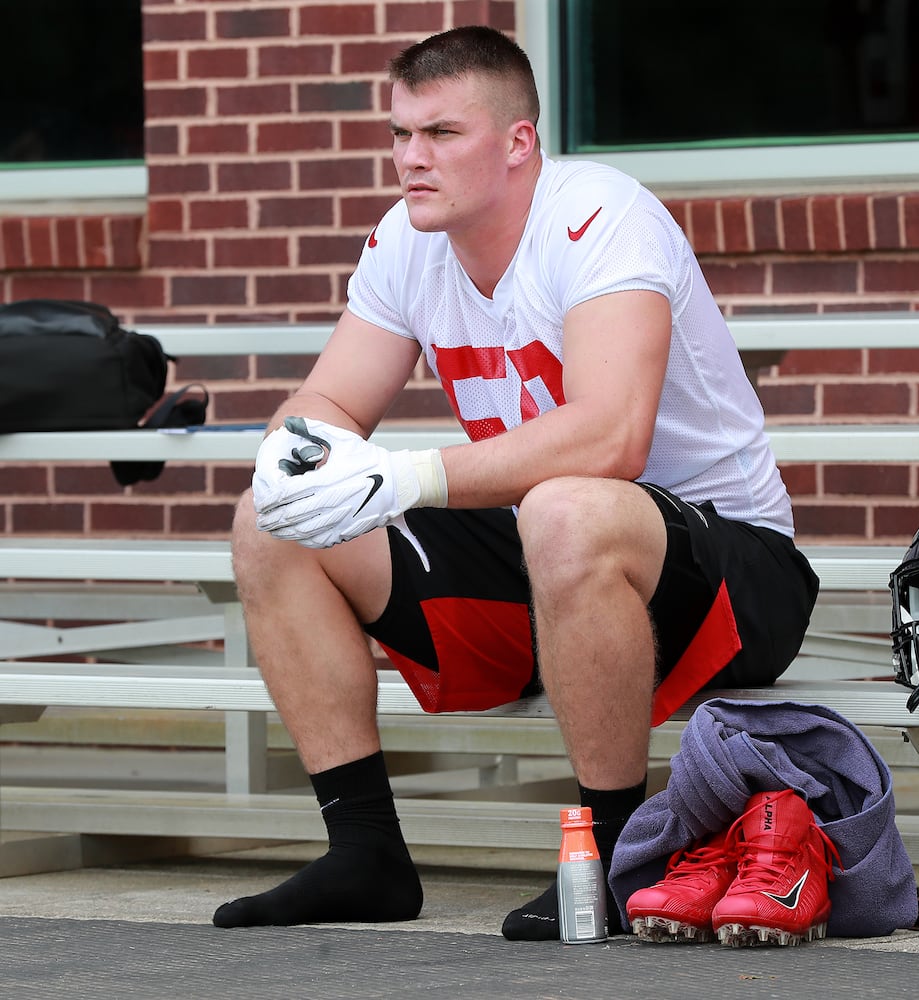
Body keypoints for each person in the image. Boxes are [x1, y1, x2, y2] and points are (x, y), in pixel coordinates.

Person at [212, 24, 819, 940]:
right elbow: (331, 396)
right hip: (552, 570)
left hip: (730, 570)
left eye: (442, 135)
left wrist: (406, 476)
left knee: (566, 504)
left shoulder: (600, 216)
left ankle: (617, 856)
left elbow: (612, 436)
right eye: (400, 135)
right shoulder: (408, 240)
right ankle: (364, 852)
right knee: (272, 521)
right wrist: (294, 454)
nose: (412, 160)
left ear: (518, 143)